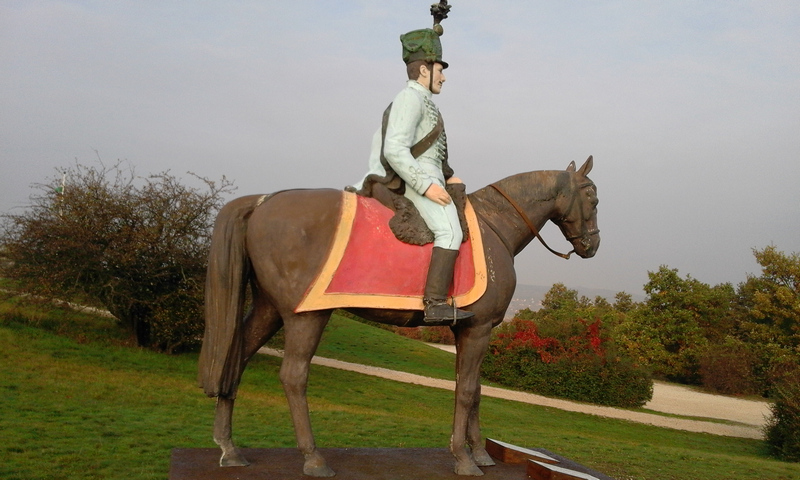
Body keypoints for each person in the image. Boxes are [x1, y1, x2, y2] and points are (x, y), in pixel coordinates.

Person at [351, 27, 474, 325]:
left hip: (429, 174)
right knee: (450, 231)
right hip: (413, 179)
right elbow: (395, 148)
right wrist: (426, 186)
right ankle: (435, 304)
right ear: (423, 70)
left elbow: (430, 150)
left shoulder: (424, 101)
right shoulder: (410, 99)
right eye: (439, 70)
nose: (443, 77)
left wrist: (447, 176)